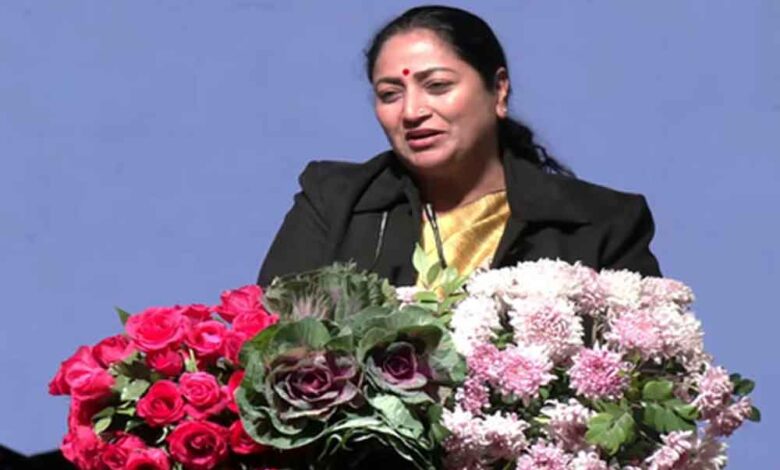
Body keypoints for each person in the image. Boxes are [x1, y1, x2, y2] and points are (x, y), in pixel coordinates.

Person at [258, 5, 661, 289]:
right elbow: (270, 347)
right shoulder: (335, 202)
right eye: (390, 94)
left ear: (498, 90)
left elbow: (644, 372)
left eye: (437, 86)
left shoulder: (601, 223)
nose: (412, 112)